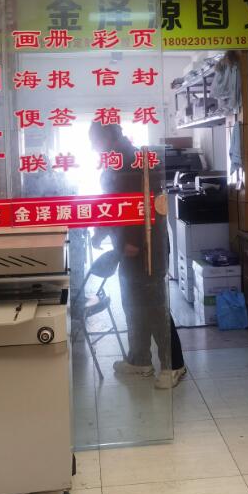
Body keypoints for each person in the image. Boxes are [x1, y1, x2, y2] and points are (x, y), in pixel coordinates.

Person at [89, 121, 186, 389]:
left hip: (145, 247)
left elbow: (141, 204)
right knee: (133, 304)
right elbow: (111, 202)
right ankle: (140, 359)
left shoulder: (132, 159)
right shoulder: (116, 159)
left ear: (108, 135)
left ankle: (174, 364)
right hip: (128, 246)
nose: (92, 146)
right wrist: (101, 231)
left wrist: (130, 241)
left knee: (153, 305)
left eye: (94, 139)